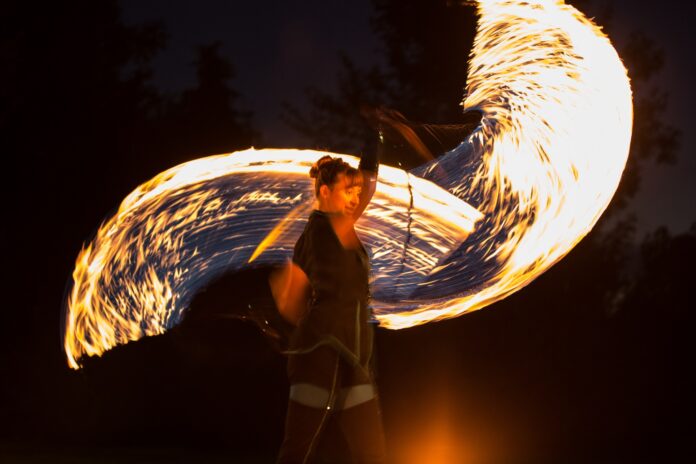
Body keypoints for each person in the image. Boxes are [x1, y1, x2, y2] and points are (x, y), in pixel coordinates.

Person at [272, 148, 385, 463]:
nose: (354, 198)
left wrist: (374, 138)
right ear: (325, 191)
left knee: (371, 453)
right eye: (347, 190)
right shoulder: (324, 226)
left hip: (353, 354)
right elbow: (289, 300)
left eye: (355, 192)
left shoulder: (332, 229)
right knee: (297, 450)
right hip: (320, 353)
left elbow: (289, 300)